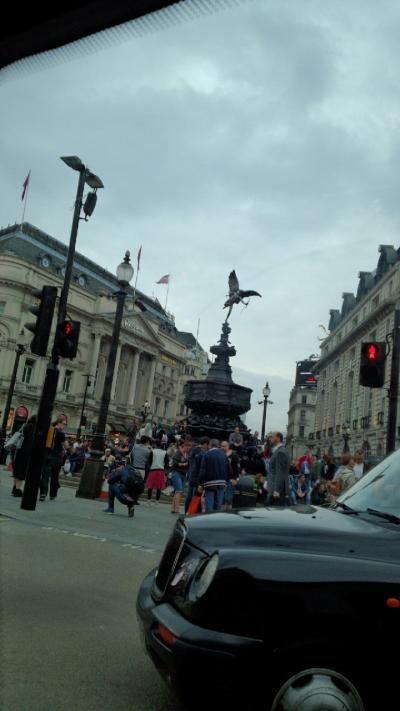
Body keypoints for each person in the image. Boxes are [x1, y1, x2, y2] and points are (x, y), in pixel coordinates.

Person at [198, 438, 231, 513]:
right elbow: (229, 470)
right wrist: (227, 481)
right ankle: (216, 522)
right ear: (218, 446)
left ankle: (208, 521)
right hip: (222, 483)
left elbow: (203, 470)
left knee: (209, 504)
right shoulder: (224, 455)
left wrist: (200, 484)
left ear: (210, 445)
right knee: (218, 505)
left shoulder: (206, 454)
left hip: (209, 483)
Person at [39, 418, 66, 501]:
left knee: (45, 476)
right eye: (64, 424)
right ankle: (53, 494)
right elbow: (65, 445)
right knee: (55, 477)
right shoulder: (61, 433)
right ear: (59, 424)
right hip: (57, 457)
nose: (64, 426)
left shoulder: (49, 431)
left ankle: (43, 493)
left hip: (47, 456)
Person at [11, 415, 37, 497]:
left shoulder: (24, 426)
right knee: (22, 472)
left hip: (19, 450)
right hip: (27, 452)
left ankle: (15, 488)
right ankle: (17, 490)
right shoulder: (34, 429)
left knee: (17, 470)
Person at [185, 436, 210, 513]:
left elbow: (189, 463)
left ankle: (187, 512)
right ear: (205, 444)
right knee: (196, 497)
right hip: (198, 477)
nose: (208, 447)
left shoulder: (193, 450)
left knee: (189, 496)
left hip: (191, 476)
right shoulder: (203, 453)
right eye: (208, 445)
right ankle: (192, 513)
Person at [267, 432, 290, 505]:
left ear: (278, 438)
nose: (270, 439)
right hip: (276, 488)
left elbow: (280, 472)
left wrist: (277, 490)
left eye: (272, 437)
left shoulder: (280, 452)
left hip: (276, 490)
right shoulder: (279, 450)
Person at [170, 438, 192, 514]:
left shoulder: (187, 454)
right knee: (179, 491)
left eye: (189, 448)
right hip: (176, 473)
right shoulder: (178, 453)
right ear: (183, 446)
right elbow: (174, 463)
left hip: (183, 474)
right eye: (187, 447)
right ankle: (177, 509)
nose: (188, 449)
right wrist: (183, 464)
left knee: (178, 491)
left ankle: (173, 508)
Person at [220, 440, 240, 510]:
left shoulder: (234, 455)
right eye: (222, 446)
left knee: (228, 499)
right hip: (221, 480)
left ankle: (228, 514)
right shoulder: (220, 454)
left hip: (231, 480)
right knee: (221, 499)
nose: (223, 448)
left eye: (224, 446)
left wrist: (236, 479)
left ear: (228, 447)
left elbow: (237, 468)